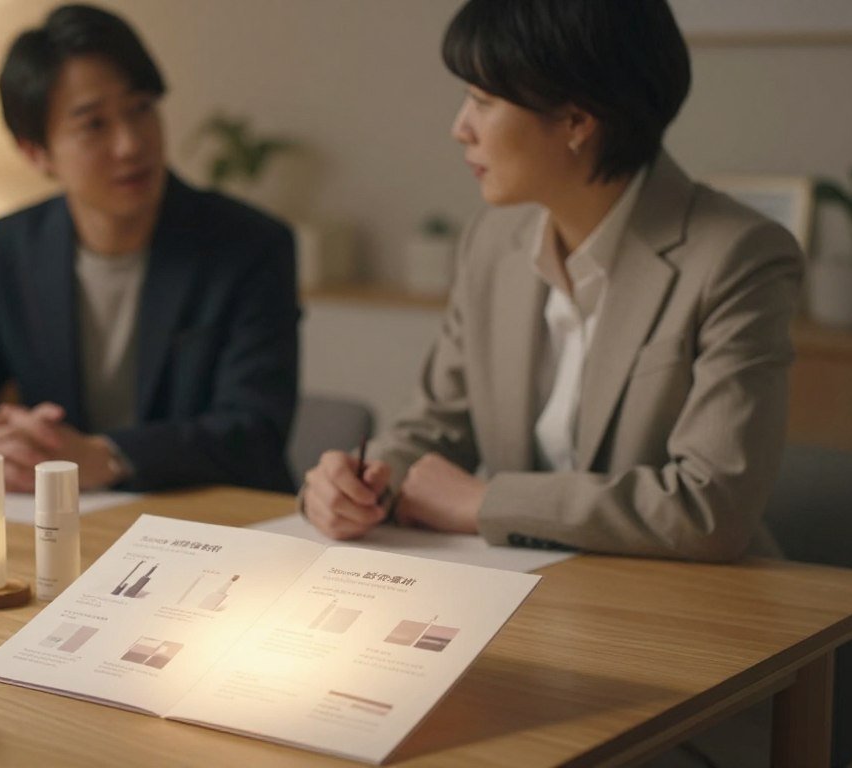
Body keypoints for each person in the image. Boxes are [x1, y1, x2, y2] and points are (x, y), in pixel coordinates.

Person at [302, 0, 803, 563]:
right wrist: (364, 482)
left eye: (483, 102)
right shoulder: (493, 240)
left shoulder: (738, 257)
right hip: (521, 588)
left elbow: (711, 508)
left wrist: (487, 502)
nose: (459, 128)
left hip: (688, 610)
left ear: (576, 121)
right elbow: (436, 427)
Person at [0, 4, 300, 494]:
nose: (131, 144)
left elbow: (254, 429)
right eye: (94, 125)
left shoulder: (249, 246)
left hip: (211, 524)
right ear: (36, 152)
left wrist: (106, 457)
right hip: (66, 521)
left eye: (140, 109)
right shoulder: (14, 247)